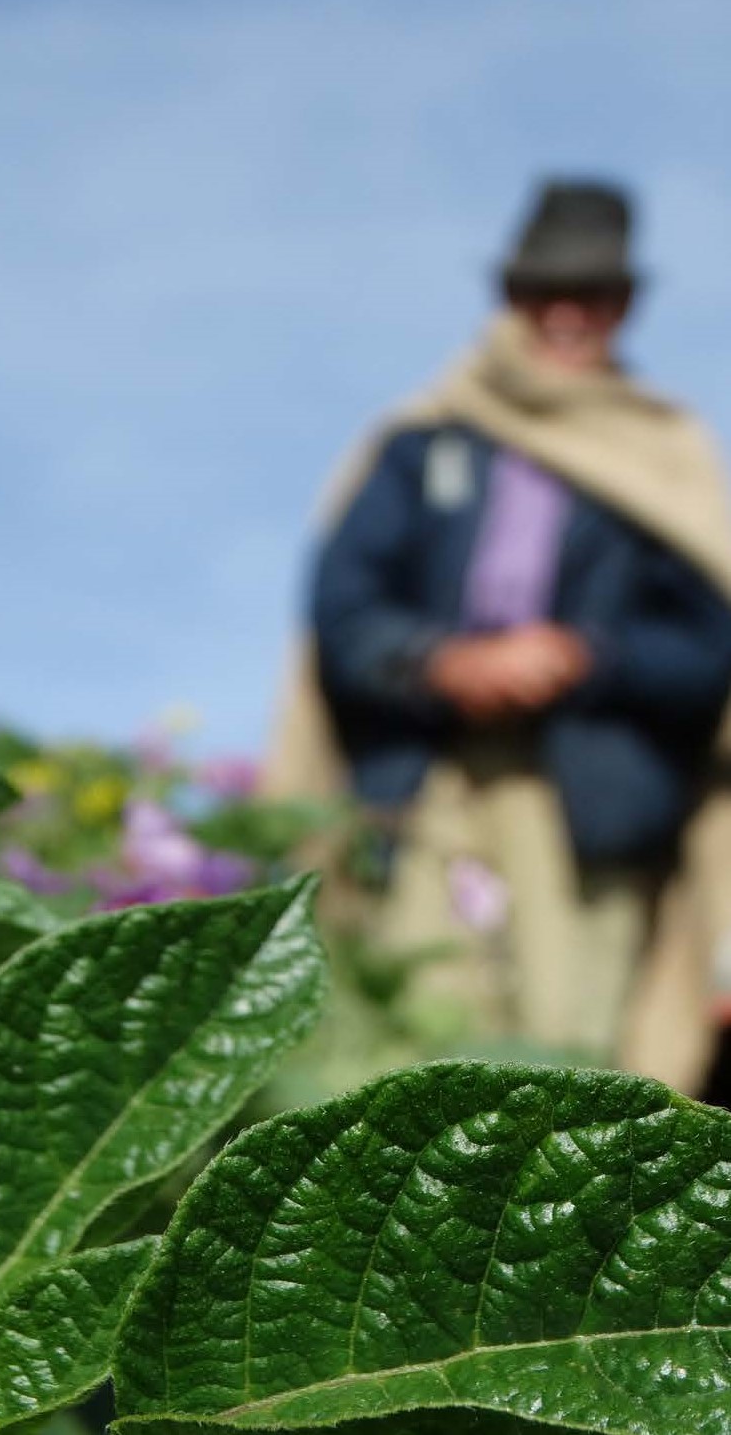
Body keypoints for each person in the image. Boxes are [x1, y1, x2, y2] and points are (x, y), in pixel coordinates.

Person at [263, 180, 731, 1089]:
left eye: (590, 294)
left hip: (590, 811)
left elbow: (710, 651)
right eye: (541, 290)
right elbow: (342, 609)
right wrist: (438, 659)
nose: (564, 312)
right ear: (509, 297)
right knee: (420, 1036)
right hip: (430, 786)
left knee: (573, 1056)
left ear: (623, 306)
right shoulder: (424, 442)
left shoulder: (663, 459)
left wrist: (588, 656)